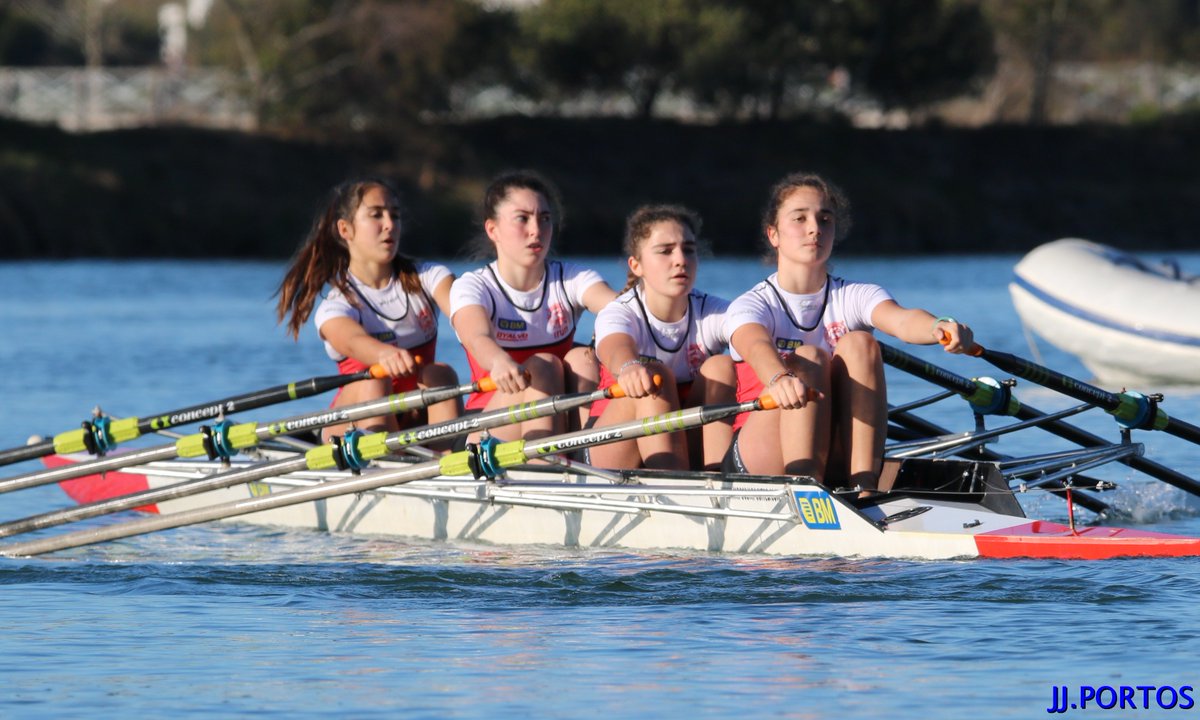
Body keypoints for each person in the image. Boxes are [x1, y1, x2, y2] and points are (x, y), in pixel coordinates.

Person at [722, 172, 974, 490]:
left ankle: (865, 487)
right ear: (773, 234)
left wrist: (939, 326)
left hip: (836, 450)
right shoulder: (751, 305)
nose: (815, 228)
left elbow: (902, 320)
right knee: (810, 358)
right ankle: (808, 488)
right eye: (799, 218)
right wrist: (779, 378)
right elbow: (754, 344)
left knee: (860, 343)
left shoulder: (855, 295)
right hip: (760, 457)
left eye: (825, 219)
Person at [276, 177, 460, 442]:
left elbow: (466, 315)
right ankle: (384, 463)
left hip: (414, 417)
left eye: (395, 216)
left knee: (440, 373)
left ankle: (446, 463)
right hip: (354, 425)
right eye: (376, 215)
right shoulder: (336, 306)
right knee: (375, 378)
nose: (389, 225)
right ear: (345, 229)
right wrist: (384, 354)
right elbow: (352, 341)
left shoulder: (430, 277)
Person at [450, 170, 616, 442]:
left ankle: (587, 457)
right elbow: (476, 337)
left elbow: (619, 306)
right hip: (488, 426)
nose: (536, 230)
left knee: (583, 359)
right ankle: (545, 469)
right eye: (522, 219)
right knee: (544, 365)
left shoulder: (573, 279)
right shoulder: (474, 287)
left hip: (555, 416)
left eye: (545, 219)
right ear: (493, 230)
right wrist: (499, 361)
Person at [588, 204, 735, 471]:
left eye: (688, 250)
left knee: (722, 367)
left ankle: (719, 478)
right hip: (611, 447)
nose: (681, 259)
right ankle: (676, 485)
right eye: (665, 251)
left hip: (682, 439)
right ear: (637, 265)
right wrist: (629, 367)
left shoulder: (714, 311)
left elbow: (749, 333)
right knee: (655, 375)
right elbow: (615, 345)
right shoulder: (620, 312)